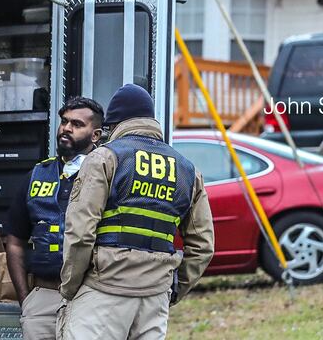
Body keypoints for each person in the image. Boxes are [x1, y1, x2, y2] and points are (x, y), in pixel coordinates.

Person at [58, 84, 215, 339]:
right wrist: (172, 289)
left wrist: (71, 286)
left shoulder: (104, 159)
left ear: (115, 123)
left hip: (102, 292)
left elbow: (80, 233)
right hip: (154, 298)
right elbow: (203, 246)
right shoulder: (187, 170)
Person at [4, 96, 104, 340]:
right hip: (43, 296)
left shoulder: (106, 175)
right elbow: (14, 241)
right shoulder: (38, 174)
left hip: (90, 296)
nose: (66, 128)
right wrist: (26, 299)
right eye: (64, 121)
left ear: (95, 135)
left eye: (77, 124)